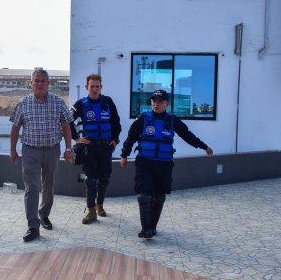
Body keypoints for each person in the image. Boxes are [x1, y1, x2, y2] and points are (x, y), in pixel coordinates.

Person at [120, 89, 213, 238]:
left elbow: (187, 135)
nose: (156, 104)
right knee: (144, 195)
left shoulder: (172, 120)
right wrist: (124, 155)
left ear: (167, 104)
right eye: (154, 101)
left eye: (160, 101)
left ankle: (153, 226)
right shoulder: (143, 118)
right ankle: (145, 228)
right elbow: (130, 137)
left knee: (160, 196)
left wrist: (204, 146)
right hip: (145, 162)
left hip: (164, 164)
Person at [10, 69, 74, 241]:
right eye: (36, 81)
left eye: (43, 81)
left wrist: (69, 149)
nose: (39, 84)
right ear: (31, 83)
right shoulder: (23, 103)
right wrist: (12, 150)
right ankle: (33, 226)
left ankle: (44, 214)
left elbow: (66, 126)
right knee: (31, 188)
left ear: (48, 83)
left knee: (48, 185)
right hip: (30, 150)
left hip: (52, 149)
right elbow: (15, 128)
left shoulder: (58, 102)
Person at [69, 73, 122, 224]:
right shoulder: (81, 104)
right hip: (89, 147)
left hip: (105, 147)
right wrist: (76, 138)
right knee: (90, 179)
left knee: (104, 179)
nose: (94, 89)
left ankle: (100, 205)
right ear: (87, 87)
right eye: (91, 86)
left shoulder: (108, 102)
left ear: (101, 87)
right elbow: (67, 120)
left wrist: (115, 140)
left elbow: (116, 123)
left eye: (97, 86)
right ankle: (91, 211)